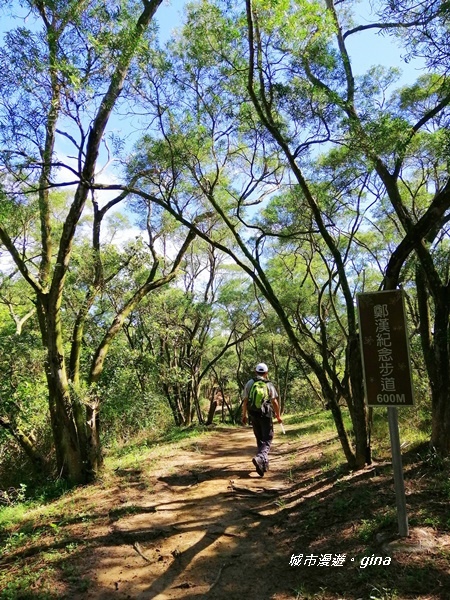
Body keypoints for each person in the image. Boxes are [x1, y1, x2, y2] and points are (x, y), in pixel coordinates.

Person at [242, 362, 282, 477]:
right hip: (266, 415)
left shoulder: (250, 383)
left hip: (253, 414)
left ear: (255, 372)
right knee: (268, 438)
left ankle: (263, 465)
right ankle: (260, 458)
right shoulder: (268, 384)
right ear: (266, 373)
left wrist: (244, 415)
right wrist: (278, 416)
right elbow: (274, 401)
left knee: (259, 438)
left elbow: (245, 401)